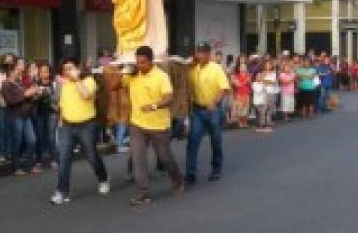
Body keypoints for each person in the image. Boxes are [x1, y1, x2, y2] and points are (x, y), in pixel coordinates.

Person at [124, 46, 183, 206]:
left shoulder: (161, 76)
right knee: (138, 158)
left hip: (158, 125)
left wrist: (154, 106)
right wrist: (124, 71)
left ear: (151, 61)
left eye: (143, 63)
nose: (139, 66)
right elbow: (114, 86)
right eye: (137, 62)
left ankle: (177, 180)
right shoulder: (132, 76)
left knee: (165, 157)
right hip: (137, 124)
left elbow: (169, 97)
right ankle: (143, 193)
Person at [50, 59, 110, 205]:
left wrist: (76, 80)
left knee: (91, 155)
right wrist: (60, 121)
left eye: (71, 68)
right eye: (65, 69)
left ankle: (102, 178)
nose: (68, 71)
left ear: (78, 68)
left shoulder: (89, 80)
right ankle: (62, 191)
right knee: (64, 158)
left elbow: (86, 95)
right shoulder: (63, 85)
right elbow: (62, 105)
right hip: (67, 126)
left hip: (86, 125)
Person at [185, 41, 230, 185]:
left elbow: (223, 88)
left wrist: (214, 102)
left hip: (213, 109)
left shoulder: (216, 68)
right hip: (197, 110)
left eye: (204, 52)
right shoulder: (192, 69)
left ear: (209, 54)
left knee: (215, 140)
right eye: (199, 52)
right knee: (193, 141)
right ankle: (190, 173)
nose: (200, 55)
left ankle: (216, 169)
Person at [1, 59, 39, 175]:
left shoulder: (19, 83)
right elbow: (10, 101)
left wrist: (33, 95)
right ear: (11, 72)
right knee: (17, 142)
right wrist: (26, 95)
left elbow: (27, 96)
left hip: (26, 115)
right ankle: (16, 167)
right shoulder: (6, 84)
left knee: (32, 140)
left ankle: (30, 165)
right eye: (17, 70)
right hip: (15, 116)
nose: (19, 72)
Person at [231, 58, 251, 128]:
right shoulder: (236, 76)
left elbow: (248, 83)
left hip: (246, 93)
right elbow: (237, 85)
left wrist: (241, 82)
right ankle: (239, 122)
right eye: (241, 67)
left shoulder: (248, 75)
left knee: (246, 108)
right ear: (239, 68)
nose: (243, 68)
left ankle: (245, 122)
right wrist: (243, 82)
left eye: (244, 67)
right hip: (239, 94)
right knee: (240, 108)